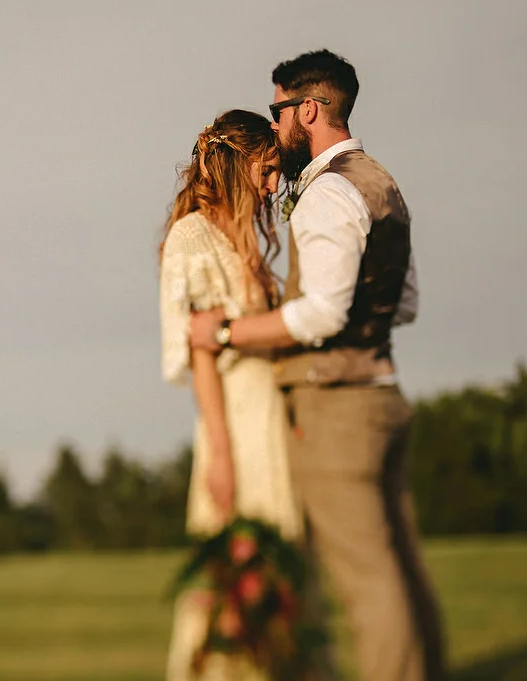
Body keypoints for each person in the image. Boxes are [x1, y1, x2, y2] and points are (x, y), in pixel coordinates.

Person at [189, 50, 447, 681]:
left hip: (337, 409)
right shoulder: (382, 183)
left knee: (367, 582)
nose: (274, 127)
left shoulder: (327, 190)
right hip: (383, 393)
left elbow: (321, 315)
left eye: (278, 110)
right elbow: (403, 305)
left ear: (309, 108)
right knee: (404, 570)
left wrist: (225, 330)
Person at [158, 108, 301, 681]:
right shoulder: (192, 238)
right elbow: (201, 354)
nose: (273, 187)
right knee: (233, 582)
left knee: (280, 576)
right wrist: (219, 451)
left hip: (268, 424)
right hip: (235, 429)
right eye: (267, 172)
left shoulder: (240, 240)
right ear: (240, 164)